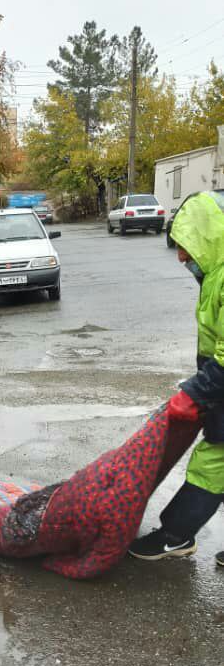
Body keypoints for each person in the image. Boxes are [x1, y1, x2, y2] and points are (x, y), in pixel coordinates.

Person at [129, 191, 224, 564]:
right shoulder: (216, 277)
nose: (181, 257)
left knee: (211, 464)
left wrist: (196, 393)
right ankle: (177, 533)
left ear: (208, 236)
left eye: (185, 246)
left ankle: (176, 535)